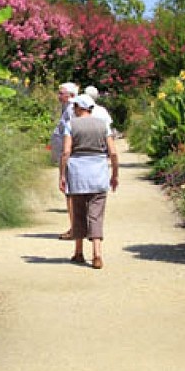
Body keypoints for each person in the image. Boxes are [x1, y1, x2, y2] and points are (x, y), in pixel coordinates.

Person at [59, 94, 119, 269]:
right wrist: (114, 174)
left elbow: (66, 152)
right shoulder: (103, 125)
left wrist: (62, 175)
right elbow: (113, 152)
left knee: (78, 212)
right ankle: (97, 254)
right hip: (98, 172)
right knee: (96, 214)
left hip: (77, 173)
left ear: (78, 107)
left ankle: (78, 252)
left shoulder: (71, 125)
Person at [51, 82, 79, 239]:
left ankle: (75, 228)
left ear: (71, 96)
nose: (59, 96)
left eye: (62, 93)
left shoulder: (71, 110)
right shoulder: (67, 109)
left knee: (70, 193)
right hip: (67, 156)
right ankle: (75, 227)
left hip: (70, 157)